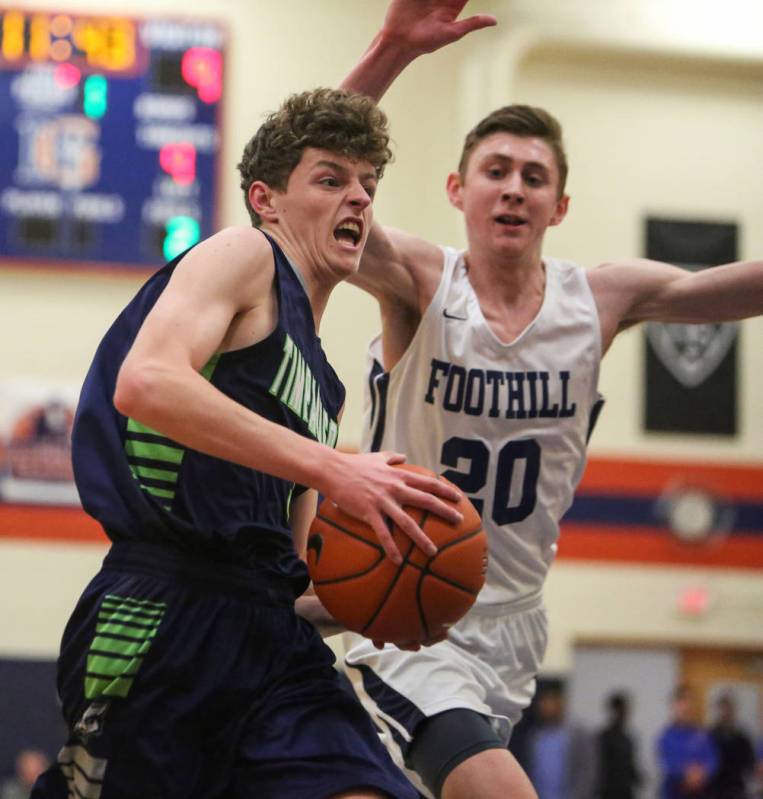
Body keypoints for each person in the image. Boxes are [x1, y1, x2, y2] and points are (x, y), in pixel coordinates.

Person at [331, 2, 763, 797]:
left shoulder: (599, 299)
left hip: (517, 620)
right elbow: (311, 185)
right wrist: (388, 51)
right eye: (495, 171)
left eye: (534, 177)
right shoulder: (421, 281)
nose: (513, 189)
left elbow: (723, 290)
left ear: (558, 207)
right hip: (409, 612)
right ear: (458, 189)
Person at [30, 86, 468, 799]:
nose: (357, 198)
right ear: (265, 200)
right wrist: (335, 467)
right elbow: (146, 382)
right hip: (158, 616)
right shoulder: (243, 255)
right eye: (330, 180)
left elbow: (284, 578)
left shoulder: (323, 387)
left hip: (270, 642)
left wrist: (383, 597)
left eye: (367, 185)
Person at [527, 683, 596, 799]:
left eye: (549, 701)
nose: (545, 707)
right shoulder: (535, 736)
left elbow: (587, 771)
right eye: (542, 702)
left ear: (560, 703)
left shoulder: (578, 734)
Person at [657, 685, 718, 798]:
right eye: (682, 701)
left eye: (690, 701)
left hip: (700, 792)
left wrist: (702, 772)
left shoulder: (703, 734)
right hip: (674, 792)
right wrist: (686, 773)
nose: (687, 706)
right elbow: (666, 763)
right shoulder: (665, 736)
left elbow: (713, 760)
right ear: (673, 706)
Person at [709, 693, 756, 799]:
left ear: (734, 710)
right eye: (723, 709)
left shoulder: (743, 737)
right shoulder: (709, 736)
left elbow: (750, 763)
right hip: (715, 789)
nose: (726, 712)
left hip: (737, 789)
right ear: (718, 711)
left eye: (729, 708)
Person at [597, 691, 641, 799]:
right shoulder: (604, 737)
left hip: (625, 791)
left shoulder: (628, 738)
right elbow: (599, 767)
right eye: (621, 710)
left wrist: (638, 777)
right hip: (609, 791)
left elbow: (630, 766)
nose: (625, 714)